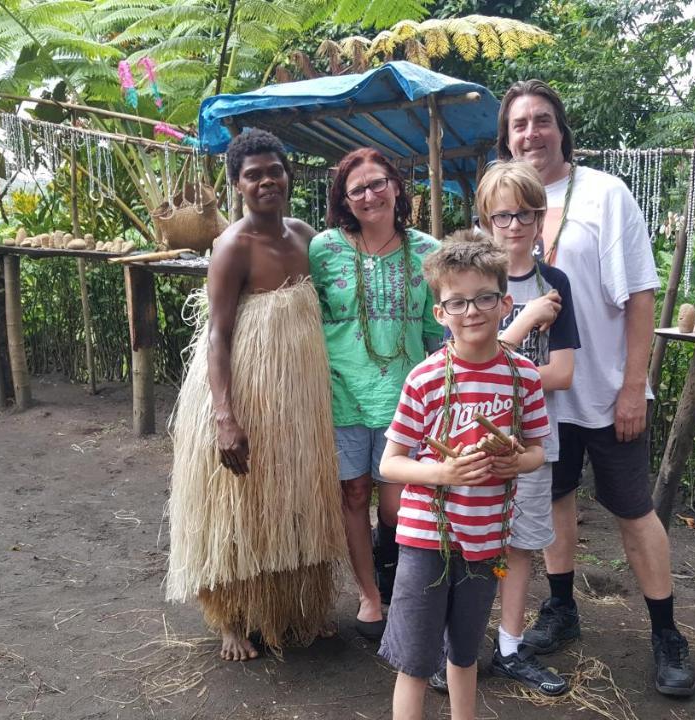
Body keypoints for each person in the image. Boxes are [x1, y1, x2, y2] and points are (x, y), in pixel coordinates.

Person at [498, 79, 695, 696]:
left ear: (561, 129)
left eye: (542, 120)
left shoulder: (606, 194)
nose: (532, 133)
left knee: (633, 510)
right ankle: (562, 607)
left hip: (607, 389)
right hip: (538, 397)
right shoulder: (504, 202)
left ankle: (666, 633)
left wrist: (635, 384)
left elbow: (639, 291)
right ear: (506, 138)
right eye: (519, 124)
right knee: (554, 503)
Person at [165, 129, 347, 661]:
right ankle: (231, 619)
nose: (266, 181)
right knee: (239, 506)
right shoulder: (231, 248)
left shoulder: (305, 235)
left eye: (274, 170)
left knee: (294, 496)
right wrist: (226, 417)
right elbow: (218, 337)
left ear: (288, 175)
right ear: (237, 185)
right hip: (245, 387)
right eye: (253, 174)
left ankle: (293, 611)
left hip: (298, 395)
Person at [378, 233, 549, 720]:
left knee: (466, 652)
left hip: (487, 538)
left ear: (505, 303)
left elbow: (538, 450)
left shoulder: (524, 377)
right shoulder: (425, 378)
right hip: (426, 538)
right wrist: (443, 471)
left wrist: (518, 462)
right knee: (414, 661)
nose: (471, 311)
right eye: (457, 302)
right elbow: (390, 464)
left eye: (484, 298)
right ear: (440, 312)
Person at [309, 148, 444, 639]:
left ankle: (394, 579)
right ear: (345, 201)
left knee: (397, 505)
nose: (370, 195)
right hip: (342, 393)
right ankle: (370, 595)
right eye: (358, 189)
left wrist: (444, 396)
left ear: (396, 186)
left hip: (406, 398)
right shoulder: (323, 249)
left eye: (378, 183)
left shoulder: (428, 251)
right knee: (353, 492)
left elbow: (438, 334)